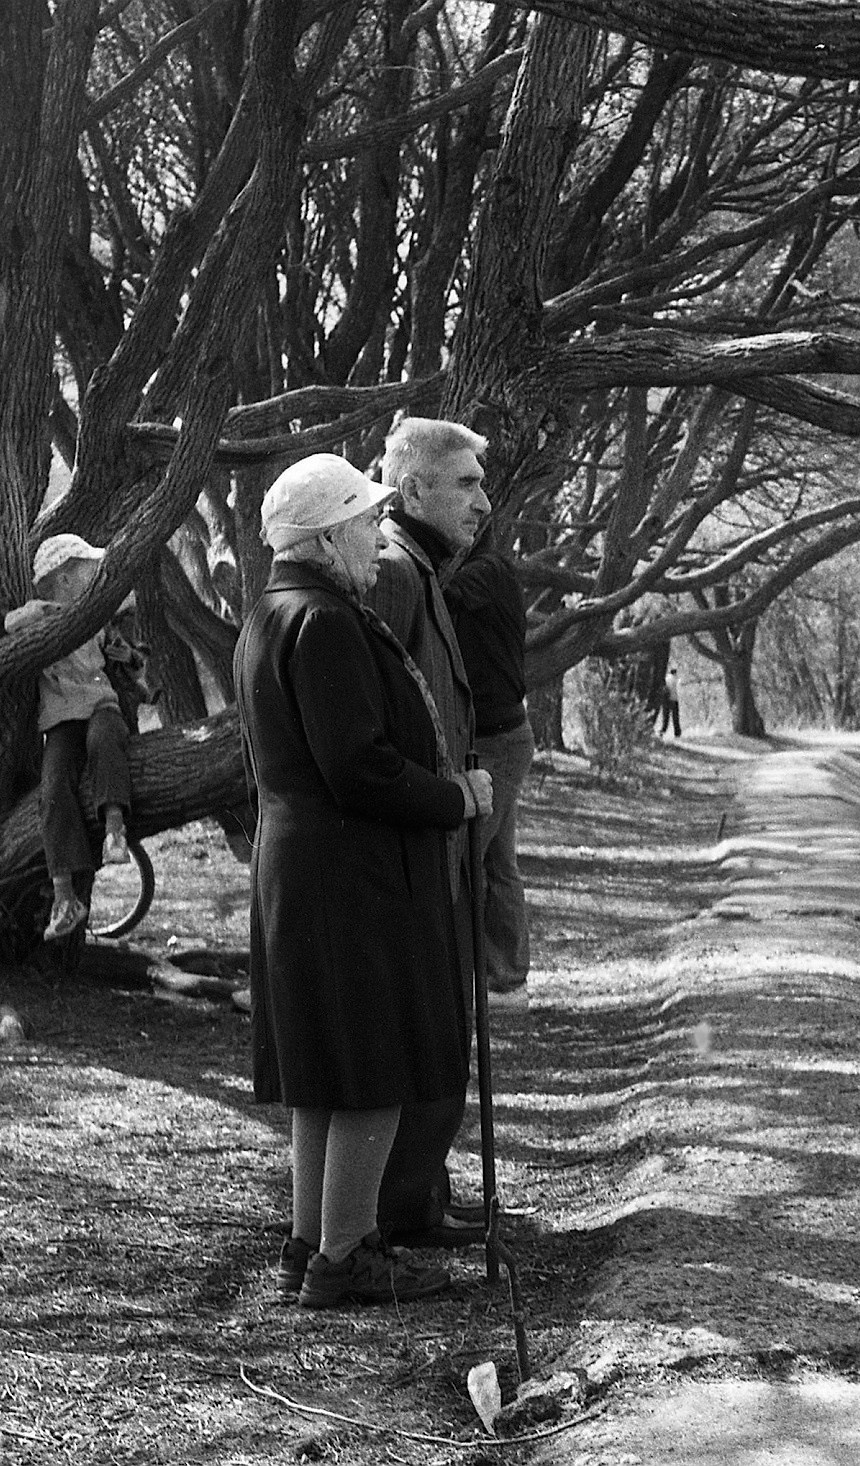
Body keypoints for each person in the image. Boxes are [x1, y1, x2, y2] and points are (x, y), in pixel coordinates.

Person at [236, 452, 494, 1308]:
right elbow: (361, 769)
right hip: (348, 876)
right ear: (323, 536)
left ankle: (313, 1241)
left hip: (306, 870)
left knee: (326, 1074)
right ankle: (347, 1257)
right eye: (359, 526)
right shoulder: (325, 620)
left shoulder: (274, 613)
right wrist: (452, 796)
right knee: (370, 1073)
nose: (371, 542)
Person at [368, 416, 491, 1247]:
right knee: (424, 1029)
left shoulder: (422, 566)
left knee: (447, 1025)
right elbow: (369, 717)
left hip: (441, 838)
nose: (484, 501)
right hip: (411, 845)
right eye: (467, 485)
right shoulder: (391, 572)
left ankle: (424, 1196)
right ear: (413, 490)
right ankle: (404, 1210)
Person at [5, 534, 133, 941]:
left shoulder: (95, 619)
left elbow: (126, 649)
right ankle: (65, 896)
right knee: (54, 786)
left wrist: (125, 655)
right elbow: (10, 623)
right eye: (86, 570)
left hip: (99, 707)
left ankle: (115, 827)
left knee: (104, 742)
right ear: (62, 578)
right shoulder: (42, 617)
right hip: (61, 720)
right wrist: (44, 611)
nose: (95, 576)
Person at [445, 544, 533, 1002]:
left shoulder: (480, 578)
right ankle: (505, 978)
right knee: (498, 859)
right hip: (503, 735)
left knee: (468, 858)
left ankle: (491, 979)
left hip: (496, 741)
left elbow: (445, 596)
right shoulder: (494, 570)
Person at [657, 665, 682, 738]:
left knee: (665, 718)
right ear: (675, 672)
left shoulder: (666, 678)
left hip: (665, 700)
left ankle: (662, 731)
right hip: (674, 700)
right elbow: (679, 688)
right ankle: (677, 733)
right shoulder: (676, 679)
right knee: (675, 718)